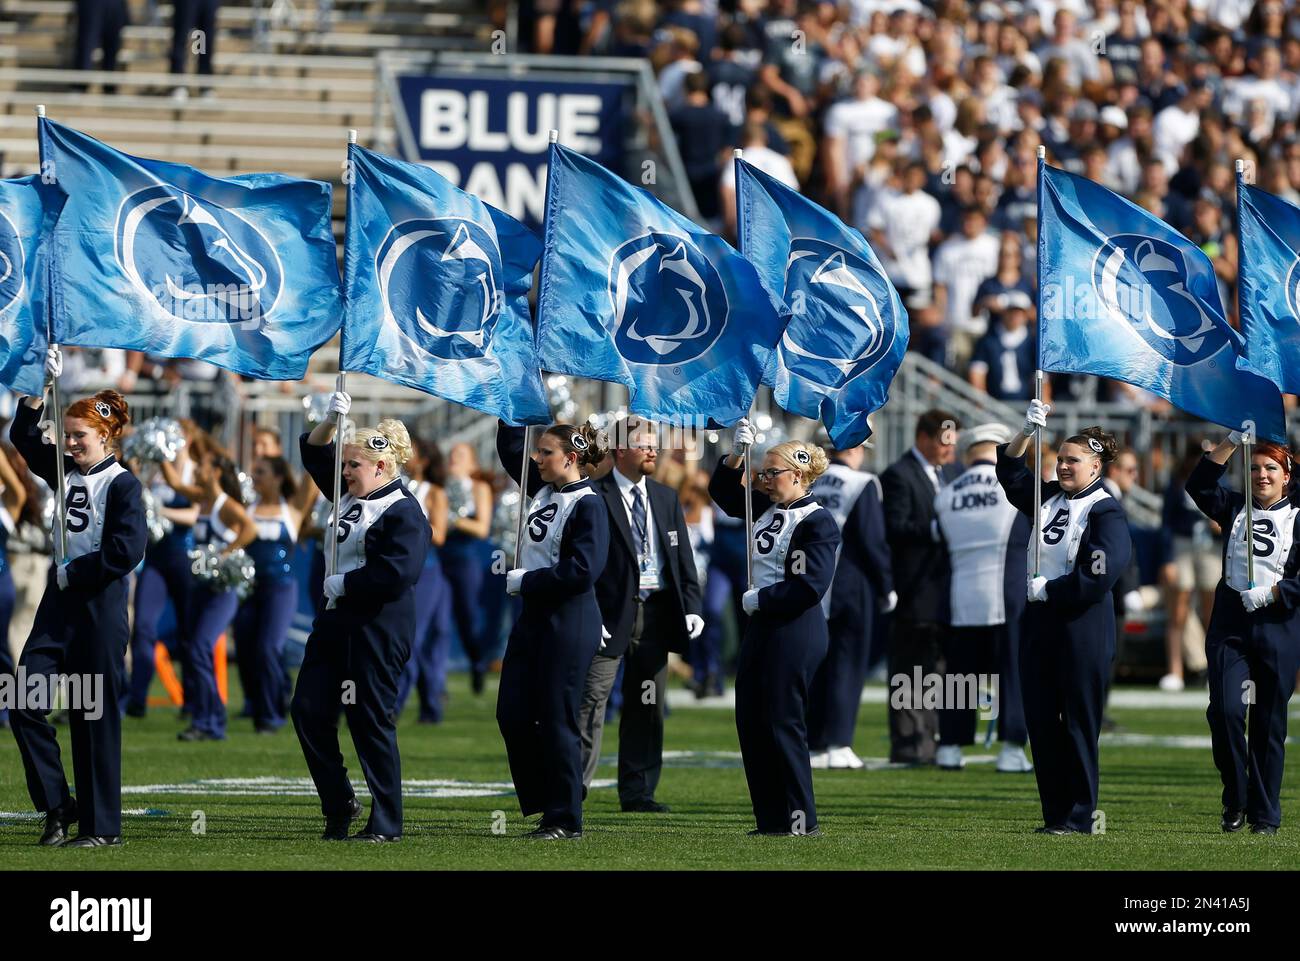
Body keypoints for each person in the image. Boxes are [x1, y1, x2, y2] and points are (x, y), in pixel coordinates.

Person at [9, 357, 146, 847]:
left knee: (93, 717)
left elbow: (126, 551)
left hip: (98, 607)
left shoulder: (124, 485)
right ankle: (57, 806)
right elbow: (24, 439)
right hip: (58, 605)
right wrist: (37, 391)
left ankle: (101, 828)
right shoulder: (65, 472)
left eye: (78, 437)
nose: (68, 444)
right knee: (24, 701)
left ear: (105, 438)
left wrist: (76, 572)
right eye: (66, 435)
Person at [292, 392, 430, 842]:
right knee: (308, 710)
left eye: (353, 465)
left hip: (377, 626)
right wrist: (333, 419)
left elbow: (399, 572)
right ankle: (339, 803)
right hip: (334, 622)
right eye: (345, 464)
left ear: (381, 468)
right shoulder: (352, 493)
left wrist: (347, 584)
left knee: (369, 720)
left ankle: (387, 821)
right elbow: (314, 451)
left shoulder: (403, 511)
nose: (344, 471)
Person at [997, 400, 1131, 835]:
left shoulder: (1105, 510)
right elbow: (1011, 472)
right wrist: (1025, 434)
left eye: (1073, 460)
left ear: (1096, 467)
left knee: (1077, 722)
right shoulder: (1048, 497)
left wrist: (1052, 590)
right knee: (1041, 721)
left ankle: (1080, 815)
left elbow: (1101, 573)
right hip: (1039, 625)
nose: (1063, 466)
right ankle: (1055, 815)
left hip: (1081, 627)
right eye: (1059, 460)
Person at [709, 422, 840, 837]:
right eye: (762, 473)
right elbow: (724, 494)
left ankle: (801, 820)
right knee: (751, 720)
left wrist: (761, 599)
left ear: (798, 475)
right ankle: (770, 820)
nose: (763, 480)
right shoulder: (766, 508)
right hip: (763, 626)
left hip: (795, 628)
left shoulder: (818, 521)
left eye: (771, 473)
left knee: (783, 723)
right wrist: (736, 454)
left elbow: (810, 586)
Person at [578, 416, 703, 812]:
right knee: (591, 702)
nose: (653, 450)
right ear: (618, 451)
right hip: (609, 614)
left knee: (647, 705)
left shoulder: (666, 497)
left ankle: (638, 791)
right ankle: (573, 789)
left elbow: (682, 558)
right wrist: (589, 612)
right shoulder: (593, 495)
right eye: (643, 444)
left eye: (654, 444)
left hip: (656, 613)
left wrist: (692, 605)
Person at [495, 421, 609, 839]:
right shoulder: (543, 490)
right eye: (538, 452)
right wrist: (512, 402)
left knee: (556, 717)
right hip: (535, 617)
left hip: (569, 618)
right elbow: (511, 448)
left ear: (571, 458)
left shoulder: (589, 504)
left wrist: (526, 580)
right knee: (512, 712)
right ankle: (550, 799)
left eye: (545, 452)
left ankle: (565, 817)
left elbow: (582, 571)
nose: (536, 459)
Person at [1185, 430, 1300, 835]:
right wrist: (1232, 442)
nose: (1262, 475)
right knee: (1226, 712)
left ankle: (1265, 816)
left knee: (1269, 724)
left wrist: (1273, 593)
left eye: (1271, 468)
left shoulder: (1299, 518)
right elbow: (1198, 485)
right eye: (1254, 468)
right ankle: (1236, 794)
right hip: (1231, 625)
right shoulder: (1234, 506)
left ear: (1287, 476)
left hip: (1278, 628)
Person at [933, 424, 1032, 774]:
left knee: (959, 677)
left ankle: (948, 747)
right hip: (1007, 596)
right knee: (1013, 674)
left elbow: (940, 548)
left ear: (968, 453)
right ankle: (1011, 748)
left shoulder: (946, 493)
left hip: (960, 596)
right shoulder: (1014, 489)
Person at [882, 409, 962, 765]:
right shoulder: (898, 475)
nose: (950, 450)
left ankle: (931, 740)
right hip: (914, 590)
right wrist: (935, 530)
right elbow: (894, 529)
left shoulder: (952, 475)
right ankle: (909, 745)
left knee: (938, 671)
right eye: (945, 443)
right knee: (910, 670)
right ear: (924, 438)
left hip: (946, 590)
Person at [807, 442, 895, 770]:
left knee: (817, 666)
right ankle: (839, 742)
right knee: (849, 664)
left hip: (812, 584)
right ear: (856, 450)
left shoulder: (808, 481)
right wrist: (886, 586)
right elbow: (873, 540)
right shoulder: (863, 483)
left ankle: (814, 742)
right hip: (851, 586)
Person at [124, 422, 201, 718]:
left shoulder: (192, 471)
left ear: (188, 439)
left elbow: (194, 514)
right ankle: (137, 698)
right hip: (155, 558)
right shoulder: (155, 470)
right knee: (143, 626)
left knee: (188, 631)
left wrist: (161, 512)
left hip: (183, 557)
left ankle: (192, 701)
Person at [179, 448, 255, 741]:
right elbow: (175, 484)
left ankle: (211, 719)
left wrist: (224, 554)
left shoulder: (225, 504)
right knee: (194, 649)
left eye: (204, 465)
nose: (198, 468)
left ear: (217, 472)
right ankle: (206, 718)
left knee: (200, 647)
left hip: (223, 589)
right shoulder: (203, 499)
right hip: (201, 587)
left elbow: (250, 528)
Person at [232, 455, 301, 733]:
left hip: (281, 588)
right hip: (250, 588)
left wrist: (327, 426)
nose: (255, 477)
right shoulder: (246, 508)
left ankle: (273, 714)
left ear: (278, 477)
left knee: (269, 647)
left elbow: (314, 476)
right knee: (246, 650)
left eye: (261, 472)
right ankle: (260, 706)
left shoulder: (293, 509)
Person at [395, 438, 453, 724]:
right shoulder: (394, 488)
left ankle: (399, 705)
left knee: (413, 639)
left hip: (427, 572)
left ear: (424, 460)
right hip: (400, 570)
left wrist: (407, 522)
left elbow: (439, 534)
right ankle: (428, 705)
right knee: (405, 638)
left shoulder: (434, 492)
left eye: (410, 452)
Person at [440, 442, 495, 694]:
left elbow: (482, 528)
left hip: (464, 558)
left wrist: (452, 518)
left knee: (468, 620)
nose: (453, 458)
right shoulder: (438, 486)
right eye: (451, 454)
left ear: (472, 463)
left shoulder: (479, 488)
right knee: (436, 623)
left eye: (460, 455)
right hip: (437, 557)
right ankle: (434, 685)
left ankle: (477, 663)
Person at [0, 442, 27, 729]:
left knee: (1, 650)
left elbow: (18, 491)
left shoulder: (5, 512)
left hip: (1, 584)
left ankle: (6, 709)